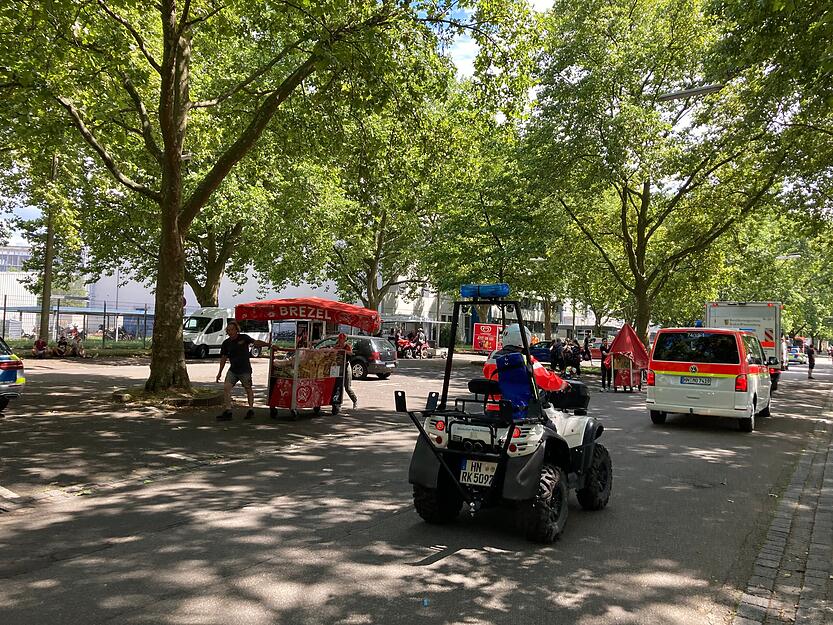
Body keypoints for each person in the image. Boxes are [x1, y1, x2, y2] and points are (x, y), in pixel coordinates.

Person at [215, 320, 271, 421]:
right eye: (228, 330)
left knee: (248, 388)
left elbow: (255, 342)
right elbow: (223, 358)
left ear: (237, 330)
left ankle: (250, 409)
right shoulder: (226, 343)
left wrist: (268, 345)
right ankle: (228, 411)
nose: (230, 332)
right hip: (233, 370)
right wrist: (220, 372)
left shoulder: (244, 338)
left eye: (232, 330)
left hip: (245, 370)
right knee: (226, 387)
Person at [335, 333, 358, 409]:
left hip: (346, 366)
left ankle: (355, 400)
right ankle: (338, 403)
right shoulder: (337, 346)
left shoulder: (347, 346)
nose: (341, 341)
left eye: (342, 339)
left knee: (347, 387)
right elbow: (333, 351)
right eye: (340, 339)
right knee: (338, 386)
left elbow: (351, 353)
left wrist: (343, 351)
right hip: (338, 366)